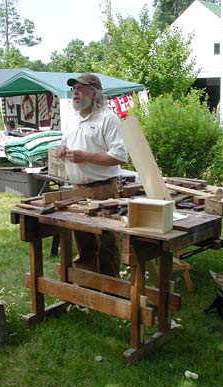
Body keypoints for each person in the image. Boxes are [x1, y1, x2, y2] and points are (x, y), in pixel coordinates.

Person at [56, 73, 127, 277]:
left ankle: (111, 289)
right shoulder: (72, 119)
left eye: (80, 89)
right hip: (77, 191)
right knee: (84, 241)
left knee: (106, 243)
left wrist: (85, 156)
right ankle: (88, 287)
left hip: (103, 190)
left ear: (95, 93)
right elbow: (65, 143)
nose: (75, 93)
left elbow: (120, 156)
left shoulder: (107, 118)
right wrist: (61, 149)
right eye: (73, 89)